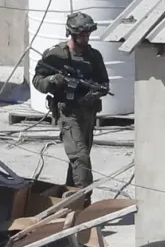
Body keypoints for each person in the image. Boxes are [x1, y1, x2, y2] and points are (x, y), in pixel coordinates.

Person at [32, 12, 110, 196]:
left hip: (88, 113)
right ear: (72, 33)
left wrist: (95, 93)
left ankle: (69, 198)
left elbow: (104, 84)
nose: (86, 37)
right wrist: (52, 81)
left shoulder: (94, 56)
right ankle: (84, 201)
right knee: (80, 157)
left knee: (79, 160)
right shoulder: (56, 55)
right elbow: (38, 80)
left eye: (87, 34)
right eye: (82, 34)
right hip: (68, 114)